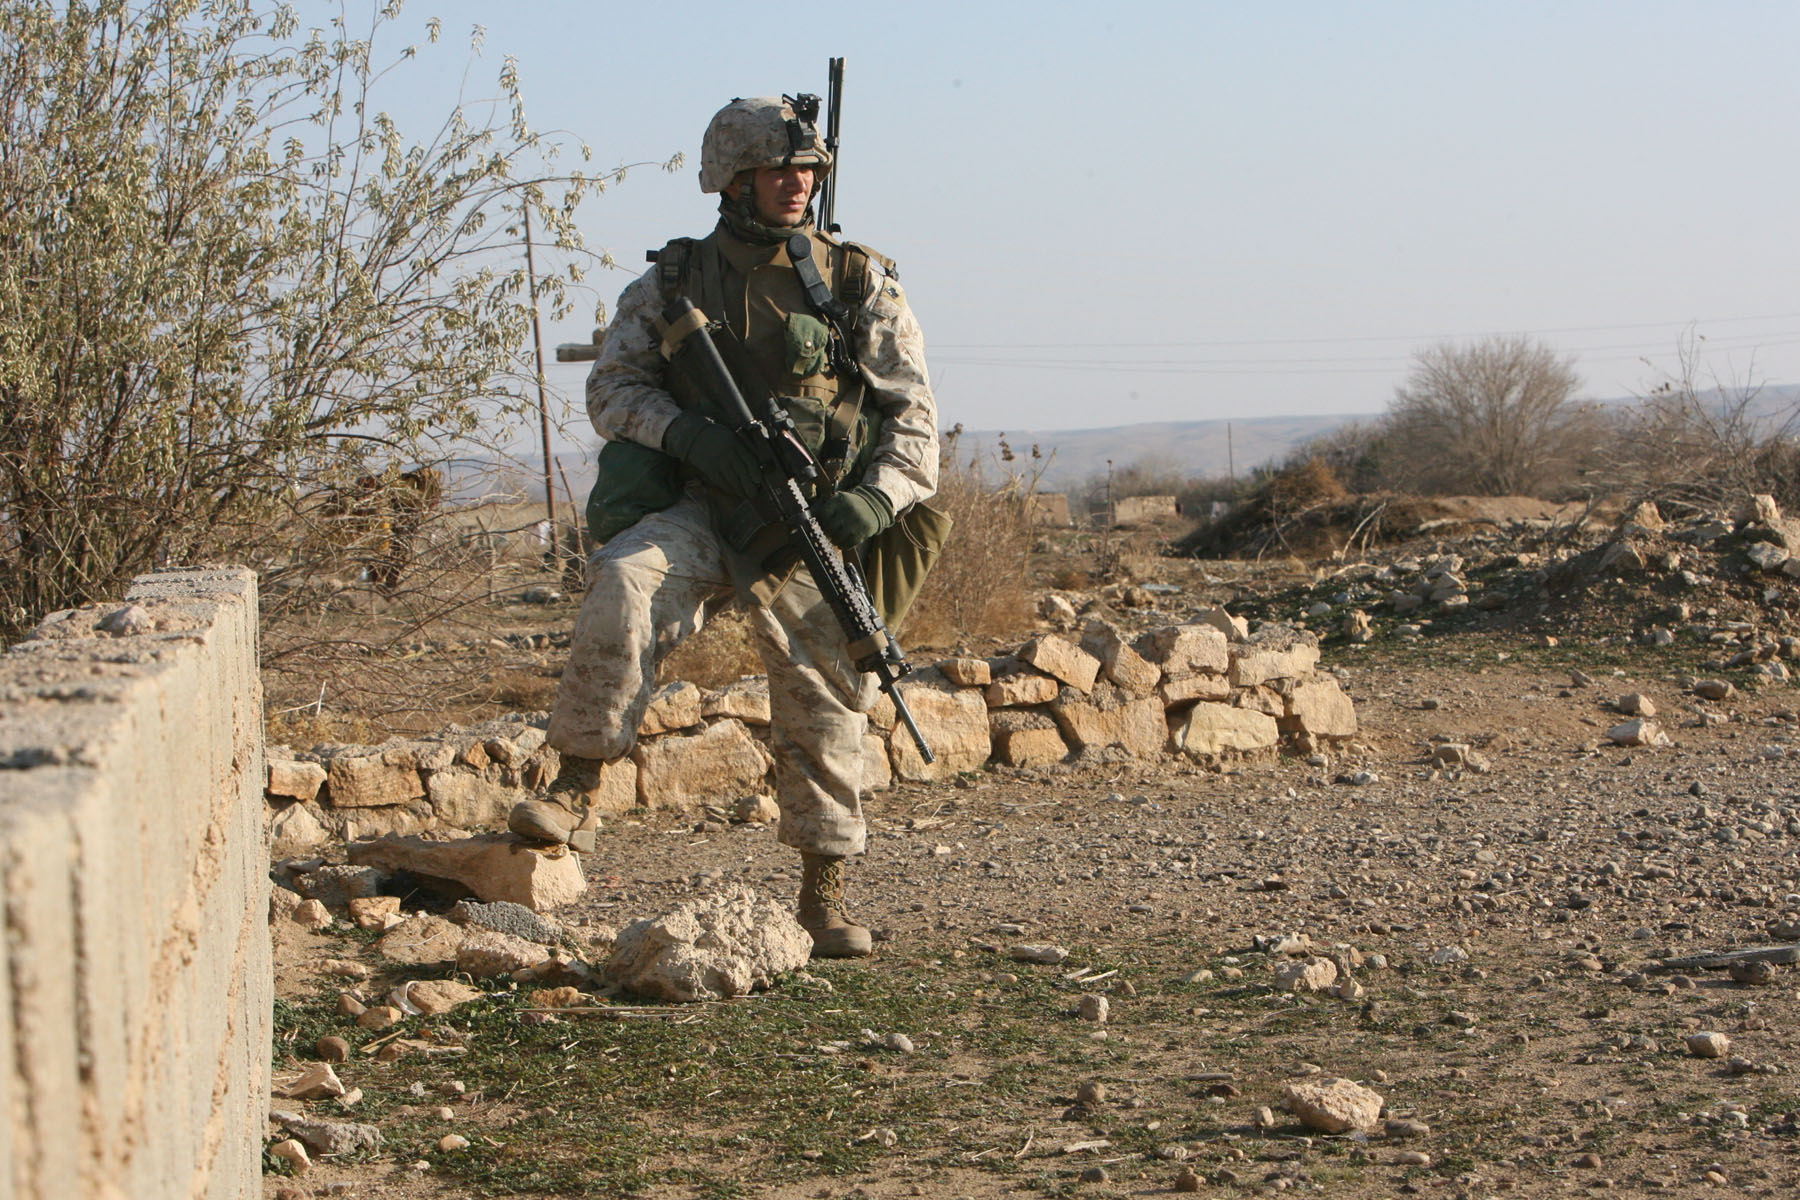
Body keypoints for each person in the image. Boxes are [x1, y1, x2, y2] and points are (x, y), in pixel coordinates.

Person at [508, 95, 939, 959]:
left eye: (807, 168)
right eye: (778, 169)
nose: (797, 183)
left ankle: (823, 890)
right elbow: (612, 390)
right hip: (706, 507)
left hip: (810, 519)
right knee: (625, 579)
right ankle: (577, 786)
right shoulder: (670, 282)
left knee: (829, 676)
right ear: (732, 179)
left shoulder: (858, 282)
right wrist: (687, 435)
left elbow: (915, 418)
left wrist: (877, 498)